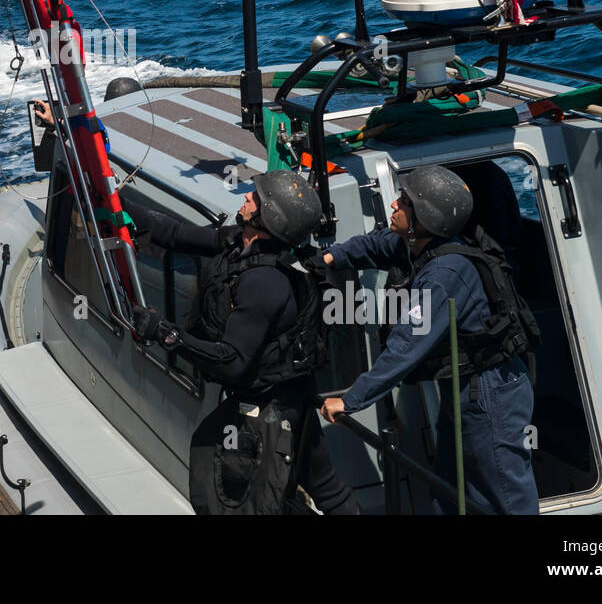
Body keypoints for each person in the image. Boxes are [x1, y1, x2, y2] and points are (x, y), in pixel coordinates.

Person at [125, 168, 361, 516]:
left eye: (255, 197)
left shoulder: (265, 282)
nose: (246, 197)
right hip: (291, 397)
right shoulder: (242, 242)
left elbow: (233, 362)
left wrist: (166, 334)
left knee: (255, 500)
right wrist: (112, 196)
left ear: (270, 217)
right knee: (325, 488)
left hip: (273, 410)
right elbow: (174, 233)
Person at [317, 164, 539, 515]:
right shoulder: (420, 243)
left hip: (490, 392)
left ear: (426, 217)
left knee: (504, 492)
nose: (394, 206)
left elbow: (406, 345)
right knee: (451, 487)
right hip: (467, 388)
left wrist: (352, 400)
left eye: (403, 202)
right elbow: (377, 245)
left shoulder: (444, 273)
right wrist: (331, 256)